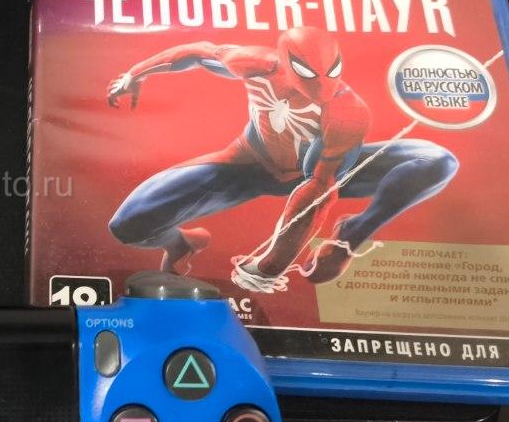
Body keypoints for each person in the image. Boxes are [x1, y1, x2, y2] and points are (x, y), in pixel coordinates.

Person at [105, 27, 458, 293]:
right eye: (309, 73)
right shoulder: (257, 64)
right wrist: (135, 74)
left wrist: (270, 265)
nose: (322, 86)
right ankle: (180, 243)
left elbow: (319, 189)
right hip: (247, 164)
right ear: (286, 62)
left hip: (318, 173)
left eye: (331, 71)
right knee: (127, 225)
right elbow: (198, 52)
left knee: (438, 162)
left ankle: (353, 234)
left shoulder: (347, 111)